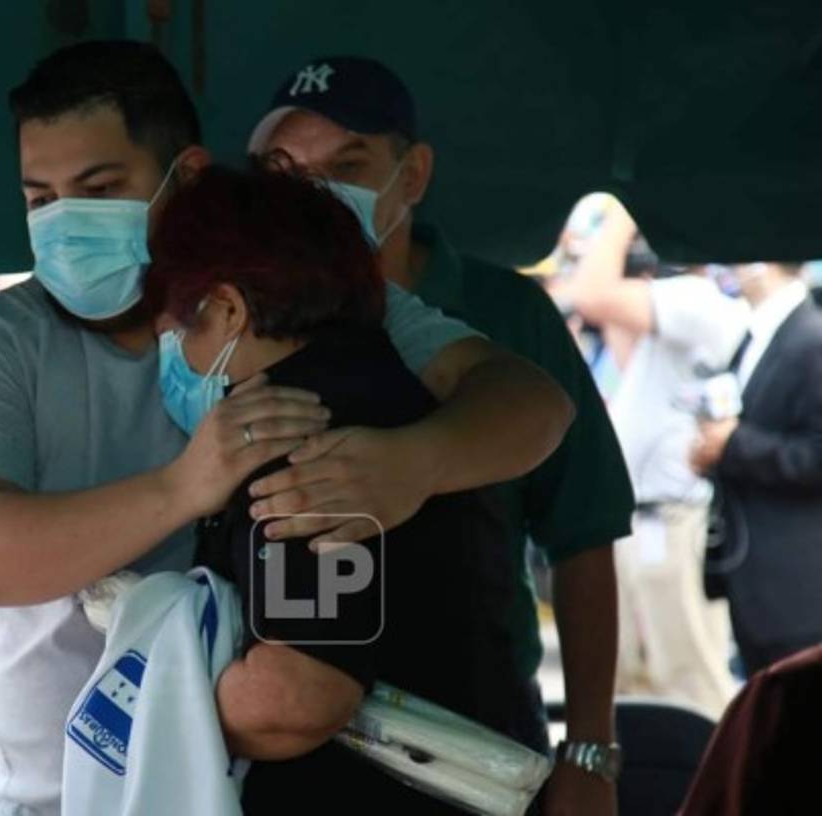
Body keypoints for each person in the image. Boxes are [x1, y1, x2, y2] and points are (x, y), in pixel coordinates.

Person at [0, 41, 572, 816]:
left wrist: (412, 463)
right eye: (41, 199)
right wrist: (181, 488)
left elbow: (533, 404)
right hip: (66, 794)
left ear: (186, 176)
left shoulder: (315, 303)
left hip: (257, 787)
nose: (68, 222)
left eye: (99, 188)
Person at [250, 56, 632, 812]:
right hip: (290, 733)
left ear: (412, 175)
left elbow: (583, 535)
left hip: (477, 742)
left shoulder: (506, 315)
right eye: (284, 171)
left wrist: (590, 750)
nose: (313, 195)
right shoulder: (247, 315)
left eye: (348, 164)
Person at [147, 163, 531, 813]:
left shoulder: (296, 432)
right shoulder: (390, 395)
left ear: (228, 308)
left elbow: (296, 696)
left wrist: (158, 706)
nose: (172, 353)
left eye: (176, 329)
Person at [561, 208, 747, 718]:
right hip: (634, 523)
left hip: (674, 520)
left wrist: (619, 209)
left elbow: (591, 293)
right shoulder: (648, 335)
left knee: (690, 686)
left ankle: (710, 796)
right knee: (626, 688)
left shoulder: (697, 297)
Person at [690, 262, 822, 673]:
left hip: (798, 586)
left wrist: (734, 445)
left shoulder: (811, 338)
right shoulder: (756, 336)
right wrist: (713, 450)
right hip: (754, 577)